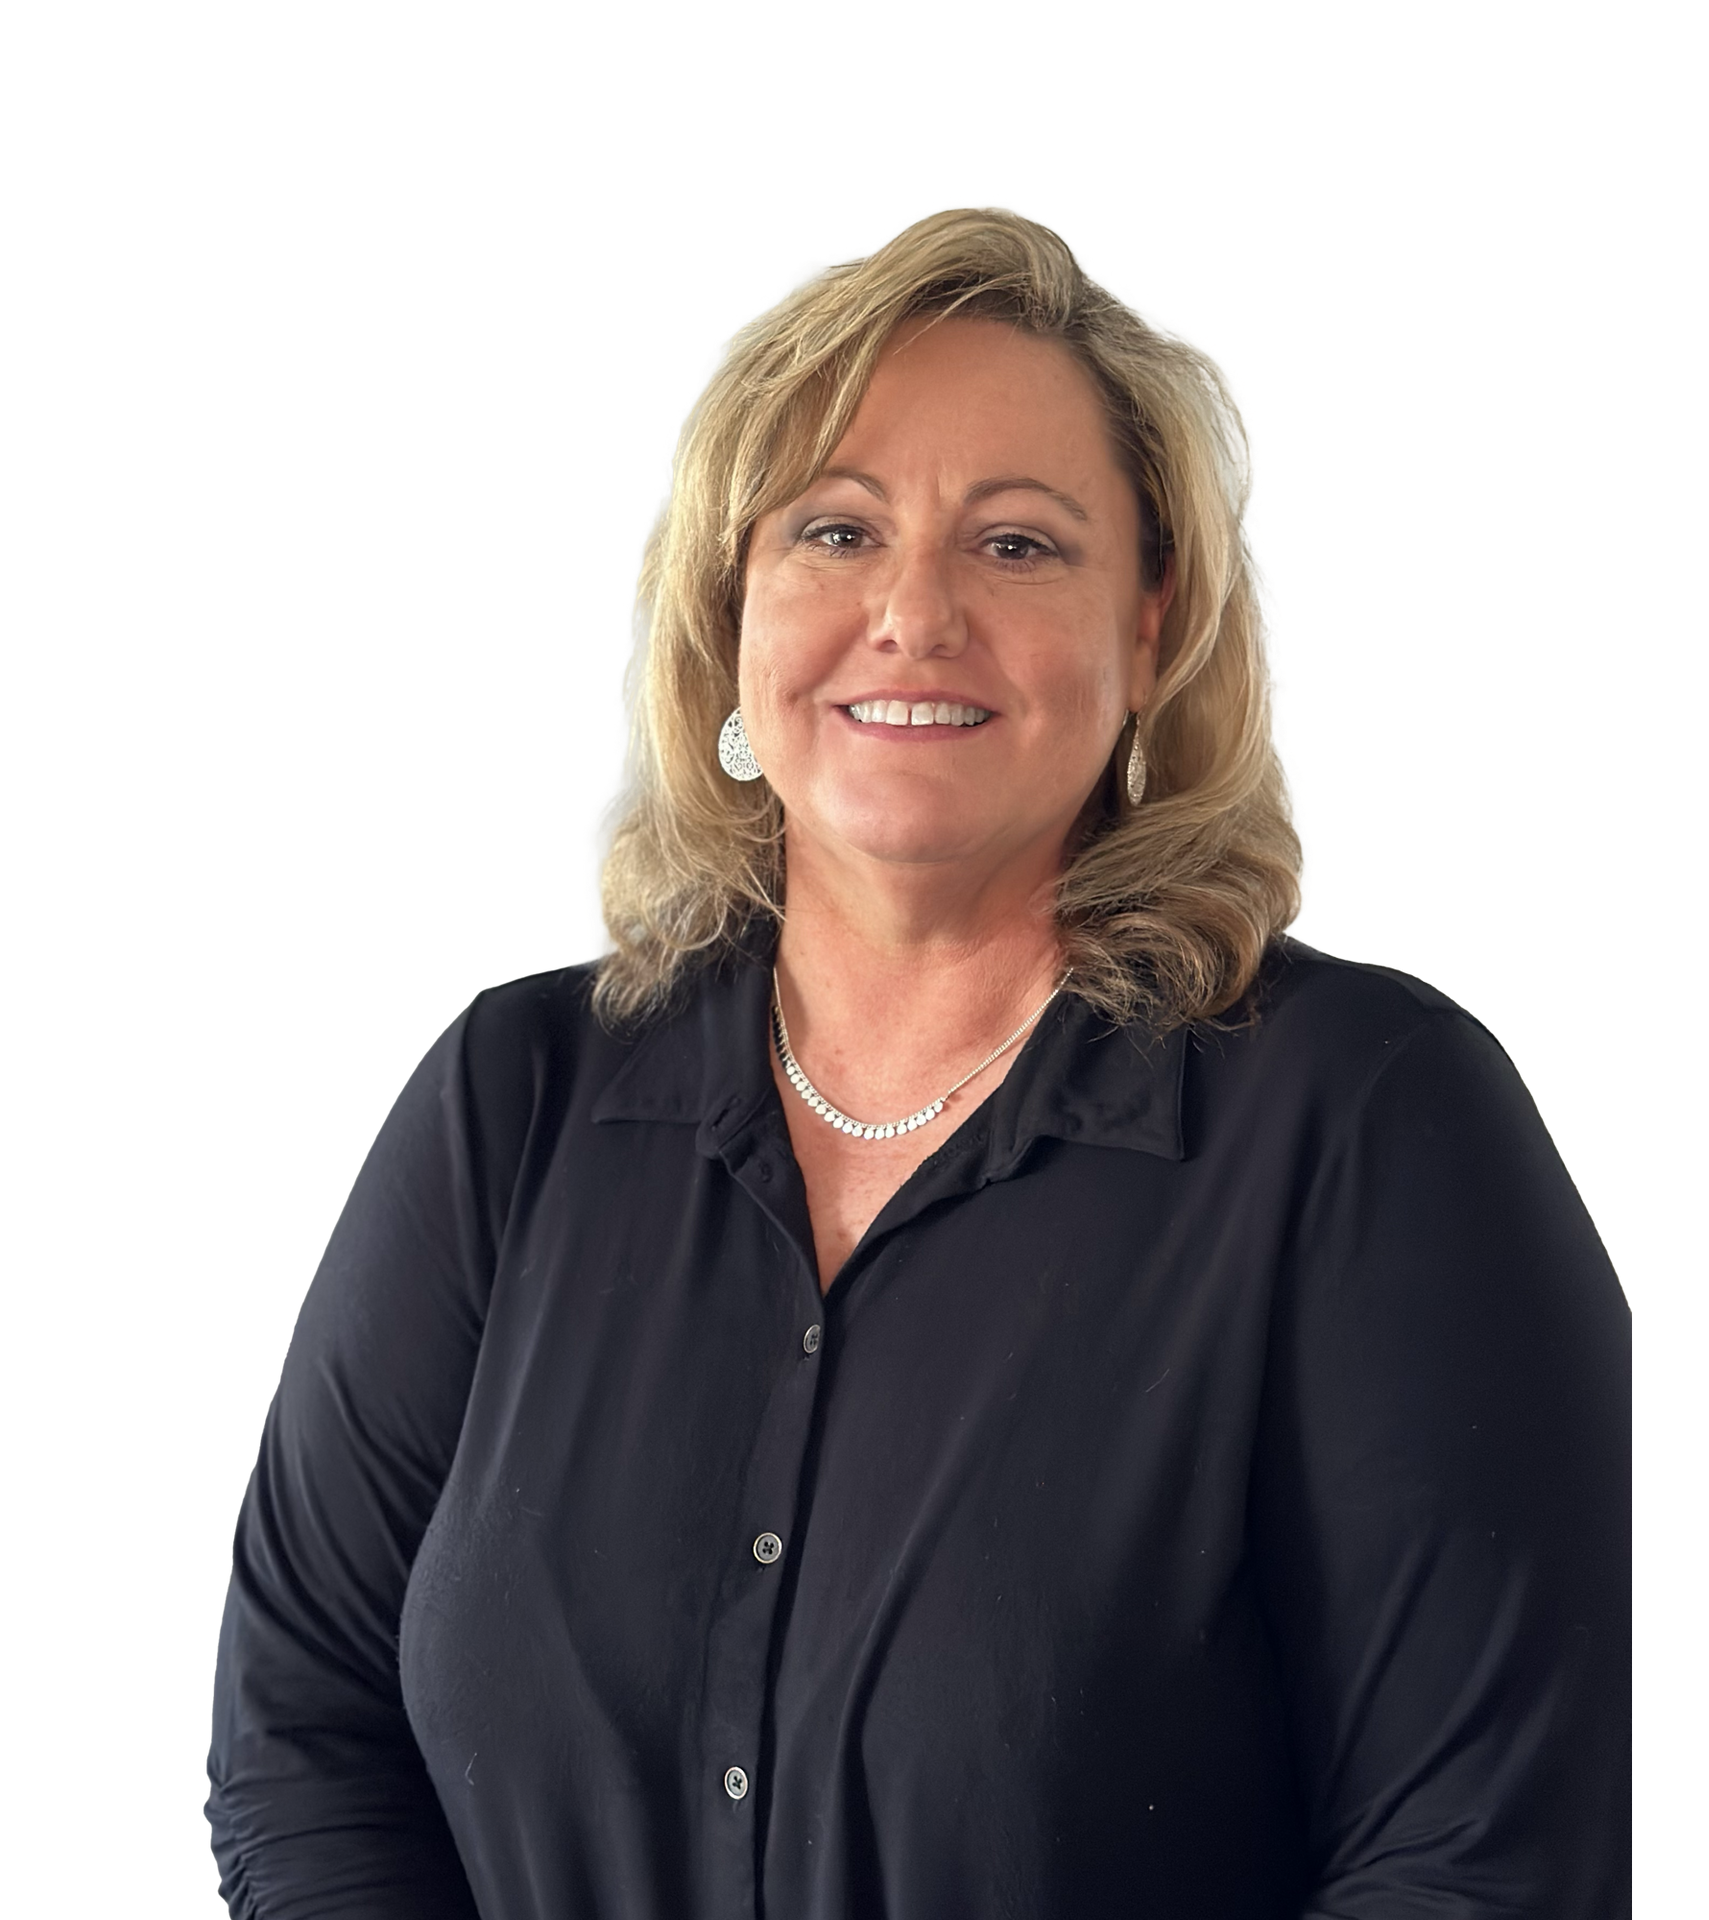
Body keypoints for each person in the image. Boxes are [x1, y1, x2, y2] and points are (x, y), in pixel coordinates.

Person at [206, 201, 1631, 1917]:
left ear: (1155, 628)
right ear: (734, 604)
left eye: (1019, 545)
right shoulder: (509, 1101)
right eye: (835, 530)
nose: (913, 615)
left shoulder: (1372, 1125)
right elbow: (303, 1738)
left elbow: (1485, 1856)